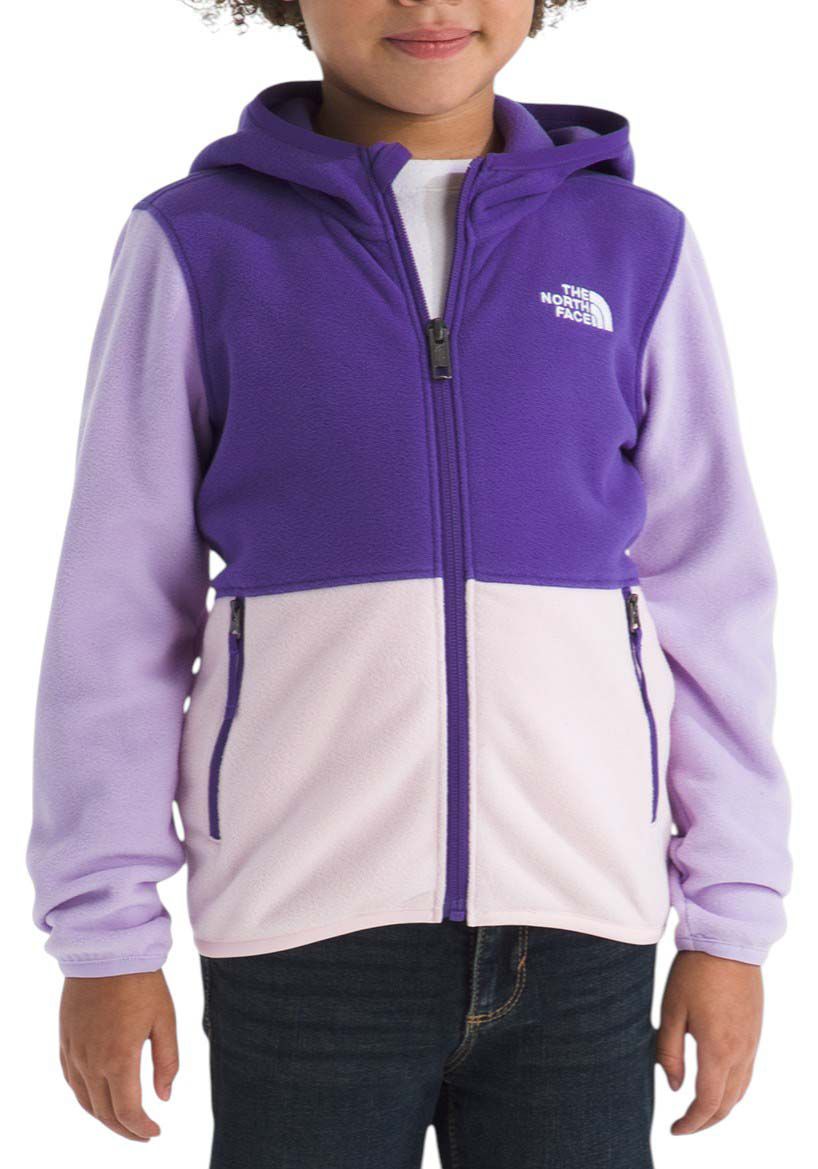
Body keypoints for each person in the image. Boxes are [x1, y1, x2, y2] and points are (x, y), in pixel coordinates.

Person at [27, 2, 792, 1166]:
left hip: (581, 923)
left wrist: (728, 922)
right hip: (301, 932)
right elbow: (117, 609)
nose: (428, 3)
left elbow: (711, 596)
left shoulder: (634, 246)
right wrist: (105, 936)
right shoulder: (198, 243)